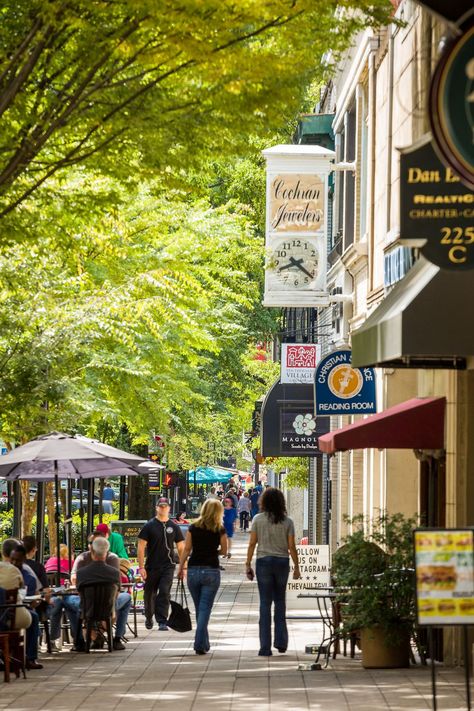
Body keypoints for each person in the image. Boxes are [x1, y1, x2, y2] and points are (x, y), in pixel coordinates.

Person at [245, 487, 301, 657]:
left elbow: (252, 543)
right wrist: (297, 567)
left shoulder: (257, 519)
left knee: (264, 603)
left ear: (263, 502)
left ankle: (265, 647)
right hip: (282, 562)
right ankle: (281, 642)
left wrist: (248, 564)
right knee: (280, 602)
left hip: (263, 562)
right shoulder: (287, 521)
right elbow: (291, 546)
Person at [177, 499, 227, 655]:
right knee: (205, 608)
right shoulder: (220, 529)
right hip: (211, 570)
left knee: (200, 607)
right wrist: (213, 552)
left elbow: (187, 549)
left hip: (193, 570)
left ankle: (204, 643)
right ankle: (200, 643)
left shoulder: (193, 527)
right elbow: (224, 551)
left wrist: (181, 567)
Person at [137, 497, 185, 631]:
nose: (163, 508)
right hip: (151, 566)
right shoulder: (149, 526)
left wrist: (183, 566)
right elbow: (141, 547)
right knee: (149, 594)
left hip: (168, 566)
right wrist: (141, 567)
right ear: (156, 508)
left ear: (169, 508)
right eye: (161, 506)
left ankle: (162, 620)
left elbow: (181, 547)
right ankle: (148, 616)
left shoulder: (174, 526)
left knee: (164, 592)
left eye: (165, 506)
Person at [76, 536, 126, 650]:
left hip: (87, 610)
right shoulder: (114, 572)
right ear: (107, 551)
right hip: (108, 610)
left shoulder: (82, 573)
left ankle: (86, 638)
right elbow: (116, 593)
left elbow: (80, 593)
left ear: (92, 551)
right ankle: (114, 638)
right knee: (122, 601)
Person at [3, 541, 42, 669]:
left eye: (17, 560)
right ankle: (28, 658)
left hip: (16, 610)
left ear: (24, 560)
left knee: (33, 615)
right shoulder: (11, 572)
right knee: (33, 617)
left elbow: (36, 596)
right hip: (9, 613)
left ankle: (29, 657)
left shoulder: (28, 574)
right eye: (12, 560)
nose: (14, 563)